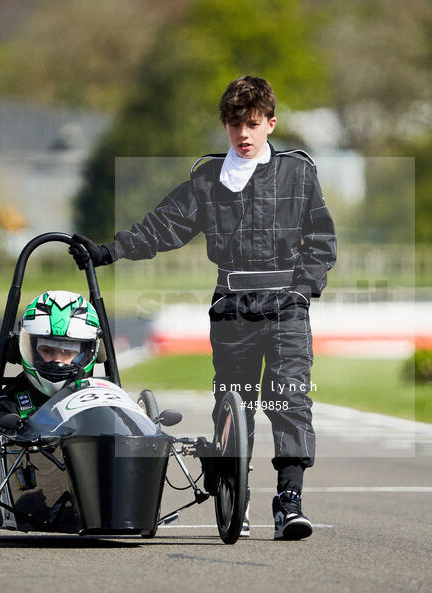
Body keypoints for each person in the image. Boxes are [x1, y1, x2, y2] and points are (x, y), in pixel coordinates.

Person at [70, 75, 337, 540]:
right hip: (232, 309)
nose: (244, 135)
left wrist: (303, 289)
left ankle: (289, 500)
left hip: (286, 309)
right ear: (226, 127)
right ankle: (235, 491)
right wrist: (107, 251)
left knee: (290, 401)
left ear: (271, 123)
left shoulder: (299, 173)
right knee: (233, 407)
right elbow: (161, 228)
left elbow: (321, 240)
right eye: (235, 125)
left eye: (252, 124)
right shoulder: (207, 179)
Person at [0, 290, 101, 432]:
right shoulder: (7, 406)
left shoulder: (102, 400)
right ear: (30, 348)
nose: (57, 360)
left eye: (67, 352)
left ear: (87, 354)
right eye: (47, 350)